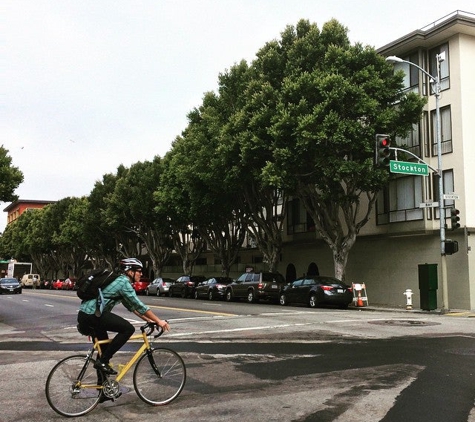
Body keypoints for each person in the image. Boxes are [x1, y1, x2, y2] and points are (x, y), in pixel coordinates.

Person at [77, 258, 170, 375]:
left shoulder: (118, 281)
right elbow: (139, 305)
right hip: (92, 315)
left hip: (87, 315)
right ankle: (103, 361)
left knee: (103, 351)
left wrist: (150, 320)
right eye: (139, 271)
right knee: (128, 329)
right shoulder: (123, 283)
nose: (141, 274)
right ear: (130, 271)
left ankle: (103, 389)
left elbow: (132, 307)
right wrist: (159, 321)